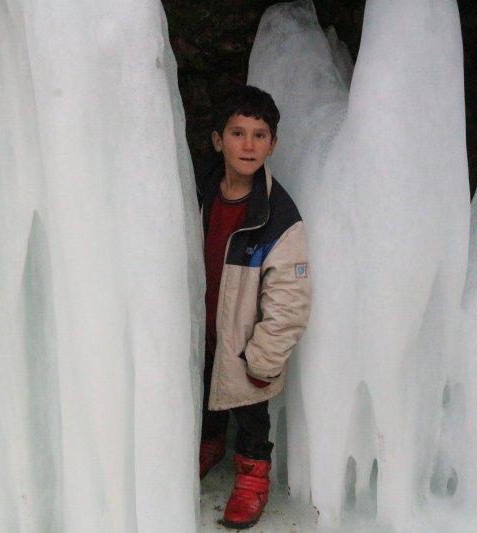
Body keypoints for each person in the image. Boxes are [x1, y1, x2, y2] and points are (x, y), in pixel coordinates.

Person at [196, 85, 312, 529]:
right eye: (238, 132)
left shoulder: (278, 216)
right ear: (217, 140)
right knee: (205, 390)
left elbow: (290, 299)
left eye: (259, 135)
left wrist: (262, 356)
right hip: (203, 325)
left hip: (244, 342)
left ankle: (252, 476)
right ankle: (210, 444)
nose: (248, 145)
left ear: (273, 144)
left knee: (250, 413)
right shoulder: (201, 191)